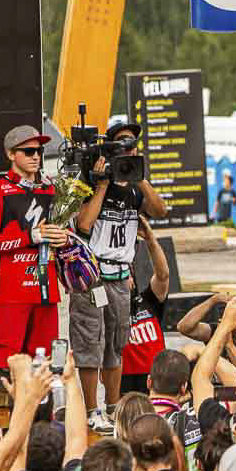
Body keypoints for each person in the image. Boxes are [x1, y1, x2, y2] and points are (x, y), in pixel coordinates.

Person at [72, 120, 169, 415]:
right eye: (122, 144)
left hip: (121, 275)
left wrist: (137, 176)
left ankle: (112, 407)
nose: (128, 149)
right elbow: (84, 223)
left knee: (116, 344)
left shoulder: (137, 188)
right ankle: (92, 411)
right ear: (109, 147)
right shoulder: (92, 180)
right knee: (90, 343)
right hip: (92, 275)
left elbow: (160, 210)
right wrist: (102, 182)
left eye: (133, 144)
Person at [0, 125, 68, 384]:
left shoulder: (51, 191)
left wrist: (63, 239)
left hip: (46, 290)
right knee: (6, 366)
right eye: (28, 151)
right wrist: (29, 237)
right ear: (10, 154)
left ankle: (45, 423)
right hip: (12, 293)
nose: (35, 156)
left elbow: (63, 233)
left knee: (48, 366)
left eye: (38, 151)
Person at [120, 219, 172, 395]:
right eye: (120, 274)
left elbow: (163, 275)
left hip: (159, 381)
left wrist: (150, 239)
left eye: (127, 274)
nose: (126, 279)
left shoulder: (148, 300)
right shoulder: (105, 309)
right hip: (125, 384)